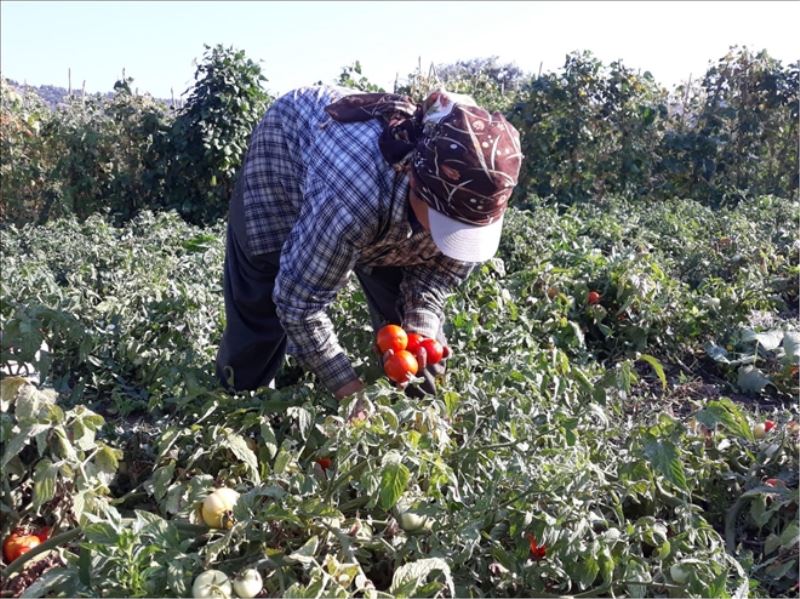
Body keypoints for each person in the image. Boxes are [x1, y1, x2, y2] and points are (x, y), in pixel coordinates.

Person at [215, 84, 522, 400]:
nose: (456, 237)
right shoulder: (353, 199)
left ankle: (416, 423)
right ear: (414, 180)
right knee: (259, 314)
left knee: (415, 349)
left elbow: (436, 277)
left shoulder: (479, 194)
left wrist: (420, 329)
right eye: (447, 223)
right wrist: (349, 390)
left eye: (466, 228)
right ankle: (238, 409)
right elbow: (298, 304)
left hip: (373, 204)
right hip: (281, 164)